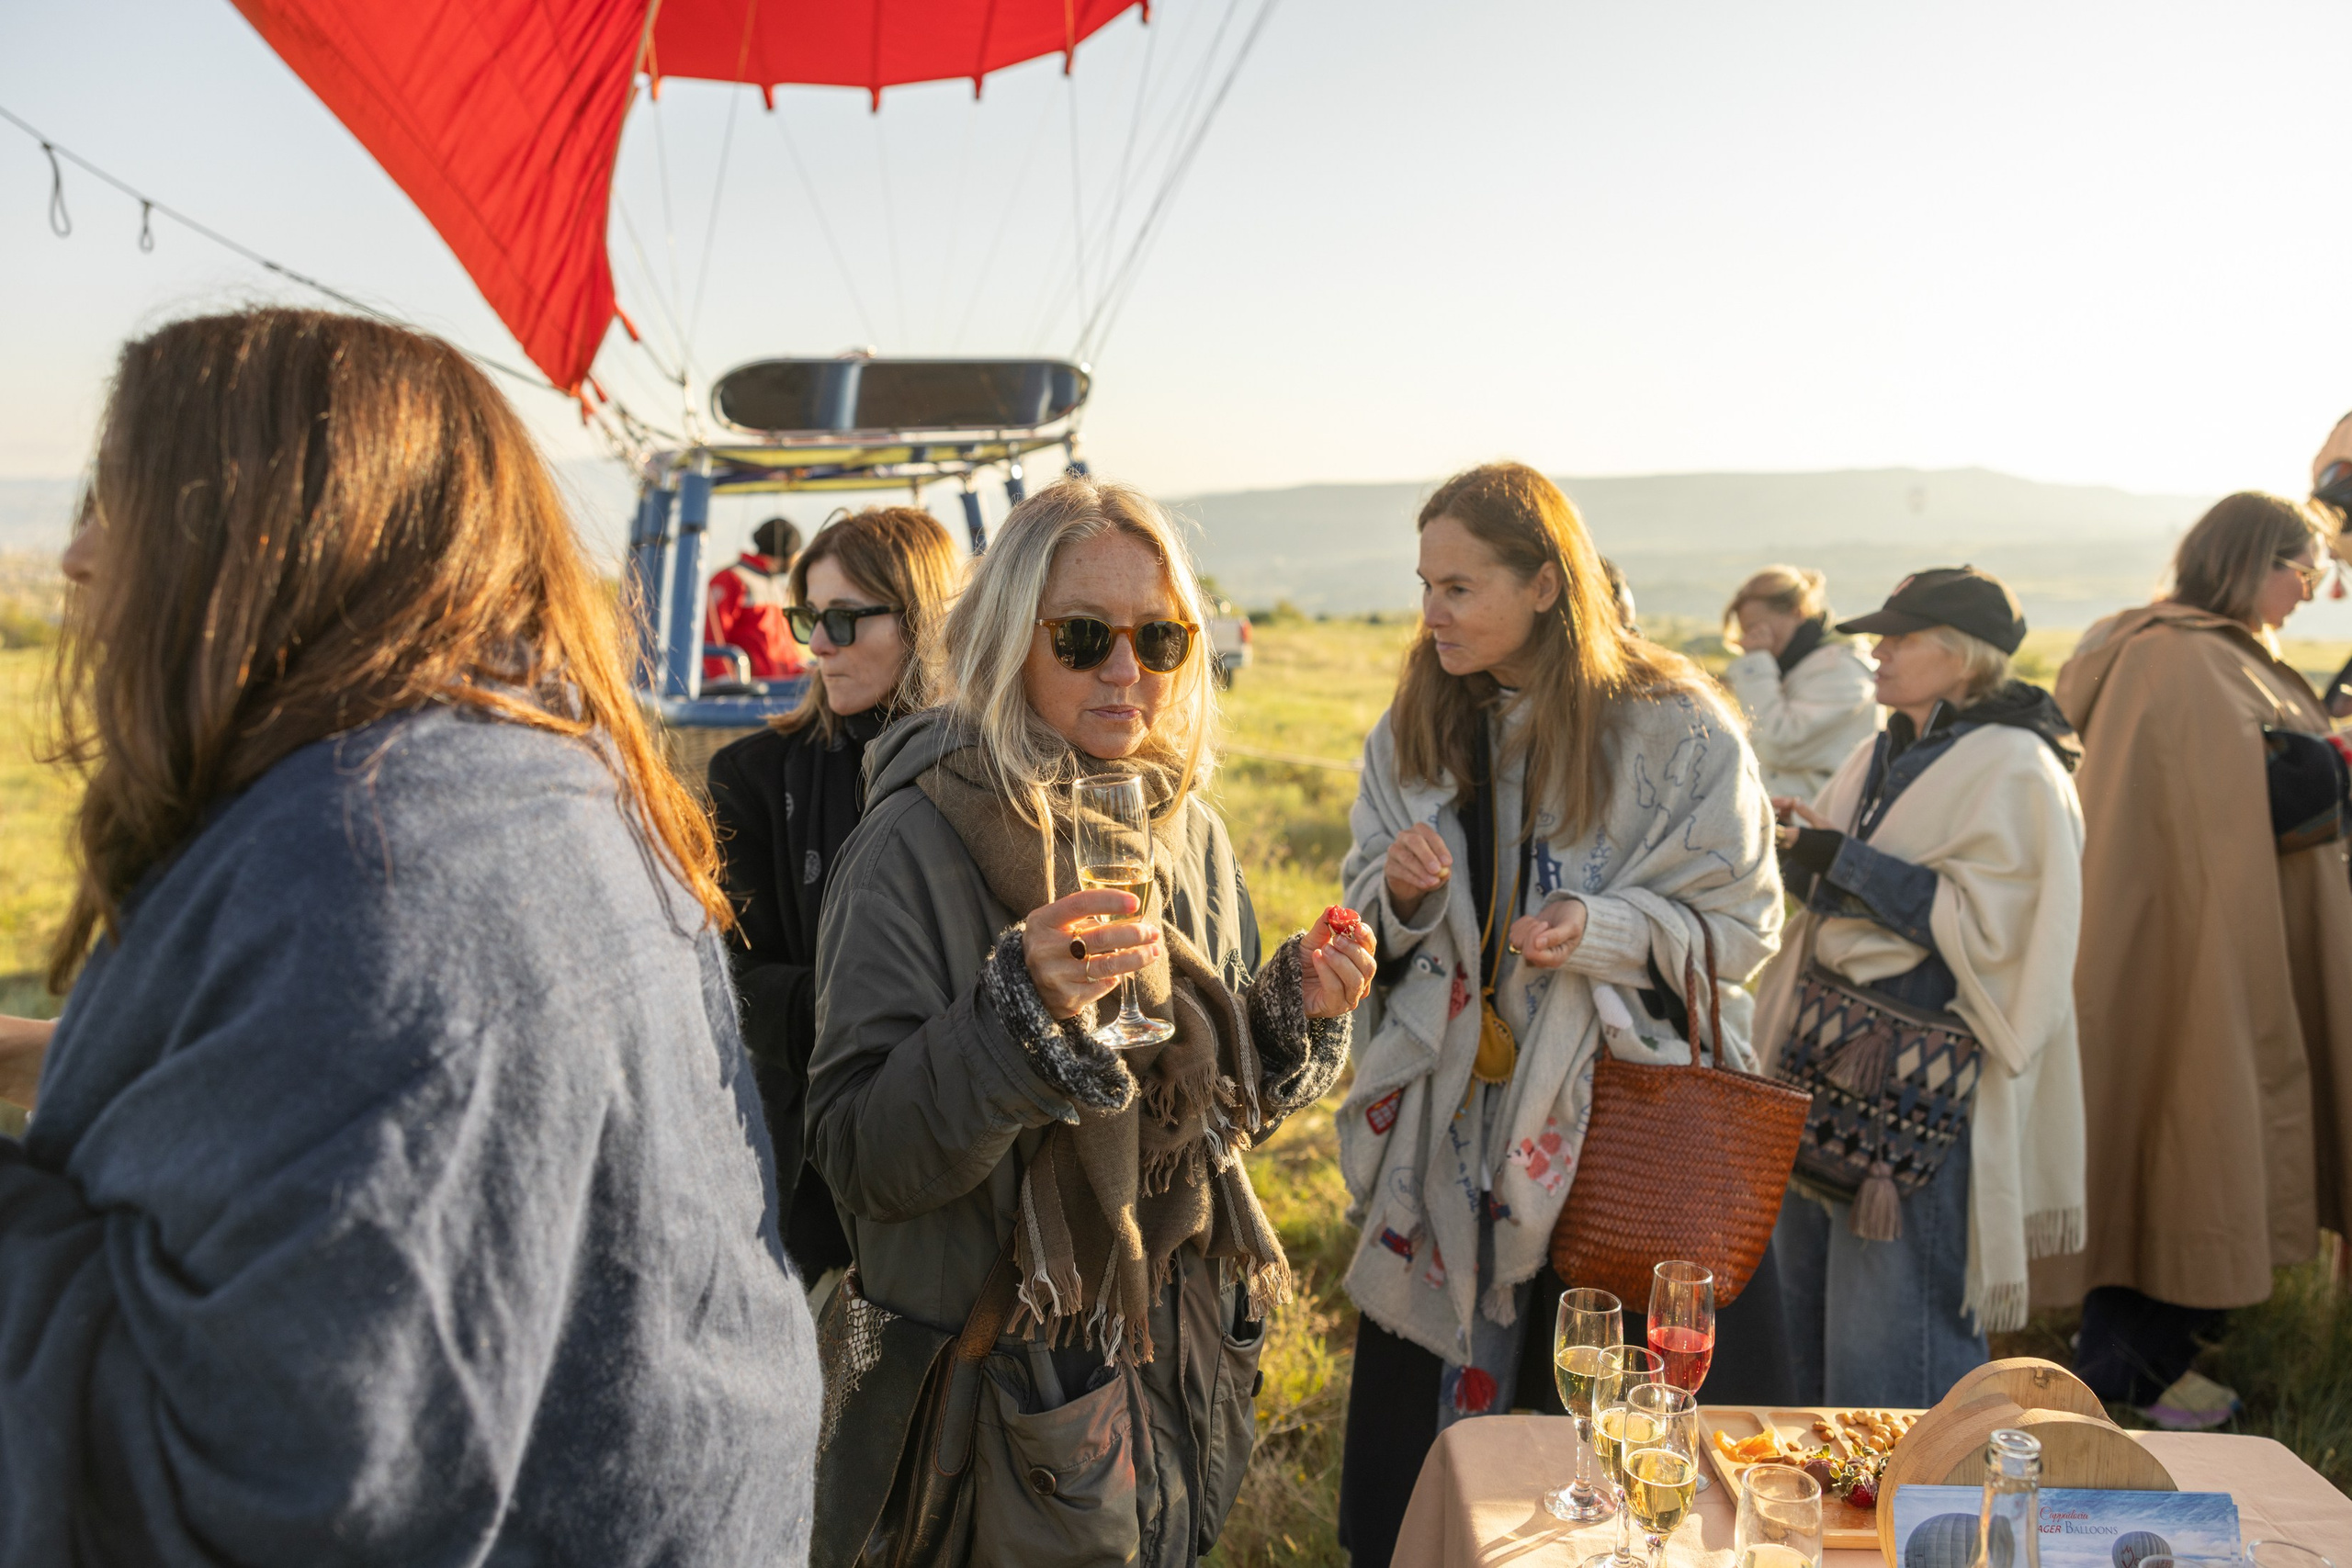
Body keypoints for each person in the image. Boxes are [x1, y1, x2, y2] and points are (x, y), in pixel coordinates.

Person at [0, 309, 817, 1562]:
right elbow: (363, 1112)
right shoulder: (511, 786)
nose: (80, 554)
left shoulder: (381, 862)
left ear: (274, 537)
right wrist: (49, 1061)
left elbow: (242, 1496)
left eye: (125, 495)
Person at [802, 477, 1374, 1567]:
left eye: (1160, 638)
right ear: (1007, 640)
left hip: (1162, 1376)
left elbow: (1203, 1113)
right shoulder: (910, 846)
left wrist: (1288, 1015)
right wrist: (1017, 1023)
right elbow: (859, 1160)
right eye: (1081, 636)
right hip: (980, 1403)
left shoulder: (1181, 827)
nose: (1127, 671)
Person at [1333, 463, 1785, 1568]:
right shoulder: (1414, 728)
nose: (1430, 614)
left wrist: (1609, 927)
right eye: (1423, 585)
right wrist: (1398, 895)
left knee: (1606, 1457)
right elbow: (1362, 909)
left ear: (1544, 583)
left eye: (1458, 587)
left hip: (1615, 1147)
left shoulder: (1678, 732)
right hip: (1454, 1136)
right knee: (1417, 1466)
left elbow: (1744, 925)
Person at [2034, 494, 2352, 1425]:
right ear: (2253, 562)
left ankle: (2145, 1373)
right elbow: (2212, 836)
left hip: (2192, 950)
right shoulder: (2185, 662)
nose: (2313, 589)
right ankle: (2118, 1385)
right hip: (2192, 958)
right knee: (2185, 1141)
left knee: (2177, 1142)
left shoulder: (2197, 653)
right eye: (2303, 568)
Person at [1755, 567, 2086, 1408]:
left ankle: (1916, 1520)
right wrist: (1809, 846)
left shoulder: (2019, 765)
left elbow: (2007, 932)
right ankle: (1814, 1506)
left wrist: (1846, 861)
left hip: (1922, 1085)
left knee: (1895, 1333)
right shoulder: (1886, 744)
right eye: (1879, 633)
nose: (1879, 650)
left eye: (1902, 637)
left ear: (1965, 657)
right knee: (1809, 1310)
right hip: (1824, 1057)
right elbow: (1856, 879)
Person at [707, 503, 962, 1287]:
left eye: (845, 619)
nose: (816, 644)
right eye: (808, 617)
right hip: (807, 1180)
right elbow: (727, 981)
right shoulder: (752, 775)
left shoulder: (990, 774)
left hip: (966, 1161)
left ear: (923, 621)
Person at [1722, 565, 1881, 800]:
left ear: (1798, 613)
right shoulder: (1788, 667)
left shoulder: (1842, 670)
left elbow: (1777, 746)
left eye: (1758, 627)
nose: (1750, 639)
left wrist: (1755, 666)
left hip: (1818, 820)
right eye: (1747, 631)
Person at [705, 514, 808, 682]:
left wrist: (800, 667)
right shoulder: (731, 579)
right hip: (750, 696)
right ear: (787, 552)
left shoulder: (775, 586)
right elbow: (712, 637)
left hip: (781, 690)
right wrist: (725, 683)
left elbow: (781, 644)